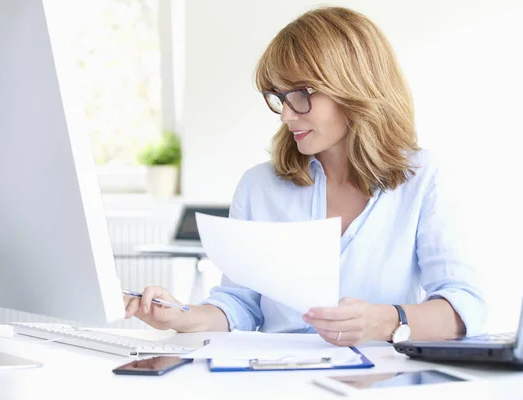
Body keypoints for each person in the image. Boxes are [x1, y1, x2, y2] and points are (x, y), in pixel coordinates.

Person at [124, 6, 487, 346]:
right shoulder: (258, 186)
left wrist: (385, 321)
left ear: (355, 88)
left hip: (380, 381)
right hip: (276, 380)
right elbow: (240, 305)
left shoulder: (425, 179)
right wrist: (181, 316)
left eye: (299, 95)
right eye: (278, 98)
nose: (285, 115)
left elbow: (464, 306)